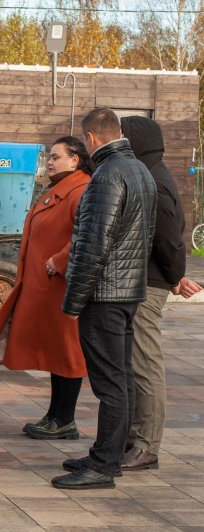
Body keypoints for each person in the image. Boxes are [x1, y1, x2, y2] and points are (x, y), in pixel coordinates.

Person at [55, 107, 157, 490]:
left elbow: (92, 243)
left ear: (93, 139)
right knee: (122, 379)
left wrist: (73, 301)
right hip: (128, 292)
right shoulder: (140, 171)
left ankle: (103, 465)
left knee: (110, 383)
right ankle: (107, 453)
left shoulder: (106, 175)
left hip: (105, 295)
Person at [0, 137, 92, 440]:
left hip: (62, 287)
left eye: (56, 156)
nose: (50, 162)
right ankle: (55, 415)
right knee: (56, 353)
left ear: (75, 160)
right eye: (49, 157)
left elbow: (88, 234)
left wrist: (58, 261)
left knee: (67, 354)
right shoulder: (59, 190)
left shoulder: (81, 191)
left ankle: (65, 419)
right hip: (46, 288)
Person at [119, 116, 202, 470]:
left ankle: (148, 445)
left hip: (148, 285)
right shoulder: (146, 172)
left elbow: (170, 240)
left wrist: (173, 277)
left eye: (123, 137)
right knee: (136, 364)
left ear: (136, 140)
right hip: (144, 281)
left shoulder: (155, 179)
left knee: (146, 364)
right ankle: (135, 437)